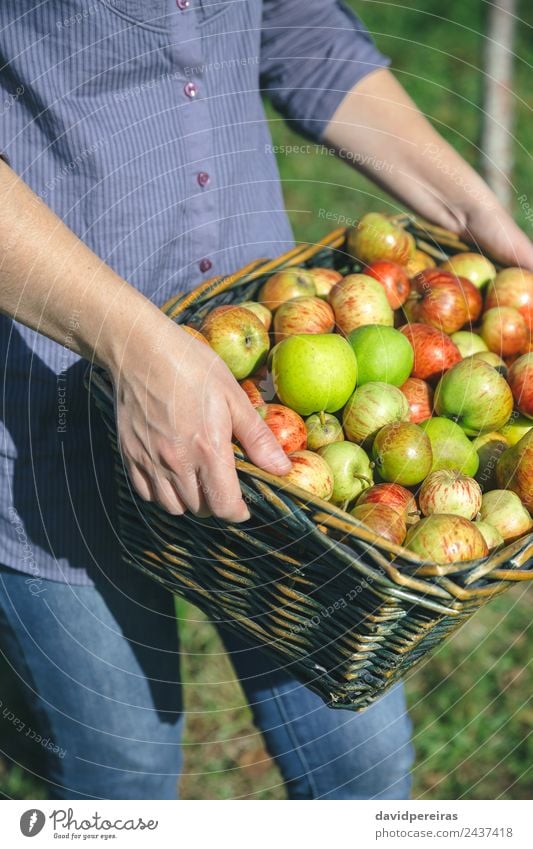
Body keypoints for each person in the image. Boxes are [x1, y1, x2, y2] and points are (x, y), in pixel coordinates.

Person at [0, 1, 530, 801]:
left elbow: (296, 22)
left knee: (361, 766)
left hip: (278, 422)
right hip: (47, 395)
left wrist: (469, 211)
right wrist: (134, 344)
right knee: (126, 776)